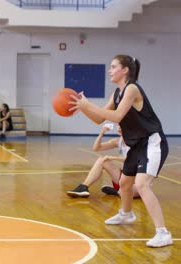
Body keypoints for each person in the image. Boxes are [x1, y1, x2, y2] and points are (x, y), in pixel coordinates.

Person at [69, 55, 172, 248]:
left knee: (142, 185)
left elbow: (116, 116)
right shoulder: (117, 93)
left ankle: (163, 233)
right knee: (124, 183)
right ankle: (126, 214)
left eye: (113, 66)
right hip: (137, 145)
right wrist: (83, 107)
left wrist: (88, 105)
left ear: (125, 70)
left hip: (152, 141)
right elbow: (98, 119)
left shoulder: (132, 89)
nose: (110, 70)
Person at [67, 125, 140, 198]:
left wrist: (113, 157)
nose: (119, 128)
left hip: (134, 179)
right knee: (102, 160)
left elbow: (133, 159)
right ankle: (83, 187)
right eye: (119, 125)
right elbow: (96, 148)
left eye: (122, 126)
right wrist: (102, 133)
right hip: (122, 176)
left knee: (132, 192)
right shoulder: (118, 141)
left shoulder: (136, 142)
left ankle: (116, 191)